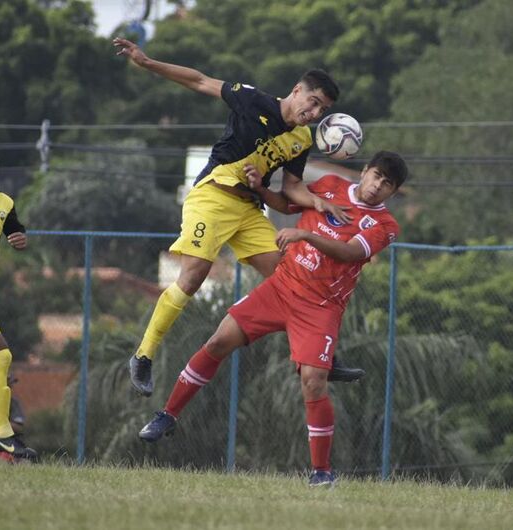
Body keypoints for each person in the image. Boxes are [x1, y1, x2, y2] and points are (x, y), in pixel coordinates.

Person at [138, 150, 408, 487]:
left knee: (312, 380)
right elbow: (287, 204)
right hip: (281, 288)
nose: (378, 185)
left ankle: (321, 472)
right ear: (365, 172)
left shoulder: (385, 225)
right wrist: (262, 191)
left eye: (387, 184)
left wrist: (305, 235)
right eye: (376, 176)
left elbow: (351, 252)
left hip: (320, 307)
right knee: (218, 341)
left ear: (392, 192)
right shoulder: (328, 185)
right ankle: (167, 415)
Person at [113, 37, 365, 396]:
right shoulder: (251, 99)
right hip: (213, 196)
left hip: (248, 210)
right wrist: (148, 62)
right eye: (312, 103)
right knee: (194, 275)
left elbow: (292, 189)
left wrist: (317, 203)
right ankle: (143, 355)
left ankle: (321, 356)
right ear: (297, 91)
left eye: (321, 110)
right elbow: (200, 81)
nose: (313, 113)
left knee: (293, 277)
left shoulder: (302, 138)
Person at [0, 151, 37, 460]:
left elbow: (13, 228)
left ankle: (2, 434)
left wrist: (19, 237)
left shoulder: (4, 204)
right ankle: (3, 434)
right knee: (0, 354)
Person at [0, 374, 28, 462]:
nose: (11, 386)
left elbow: (19, 427)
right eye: (7, 383)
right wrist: (5, 423)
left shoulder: (13, 403)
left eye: (10, 384)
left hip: (7, 440)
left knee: (6, 459)